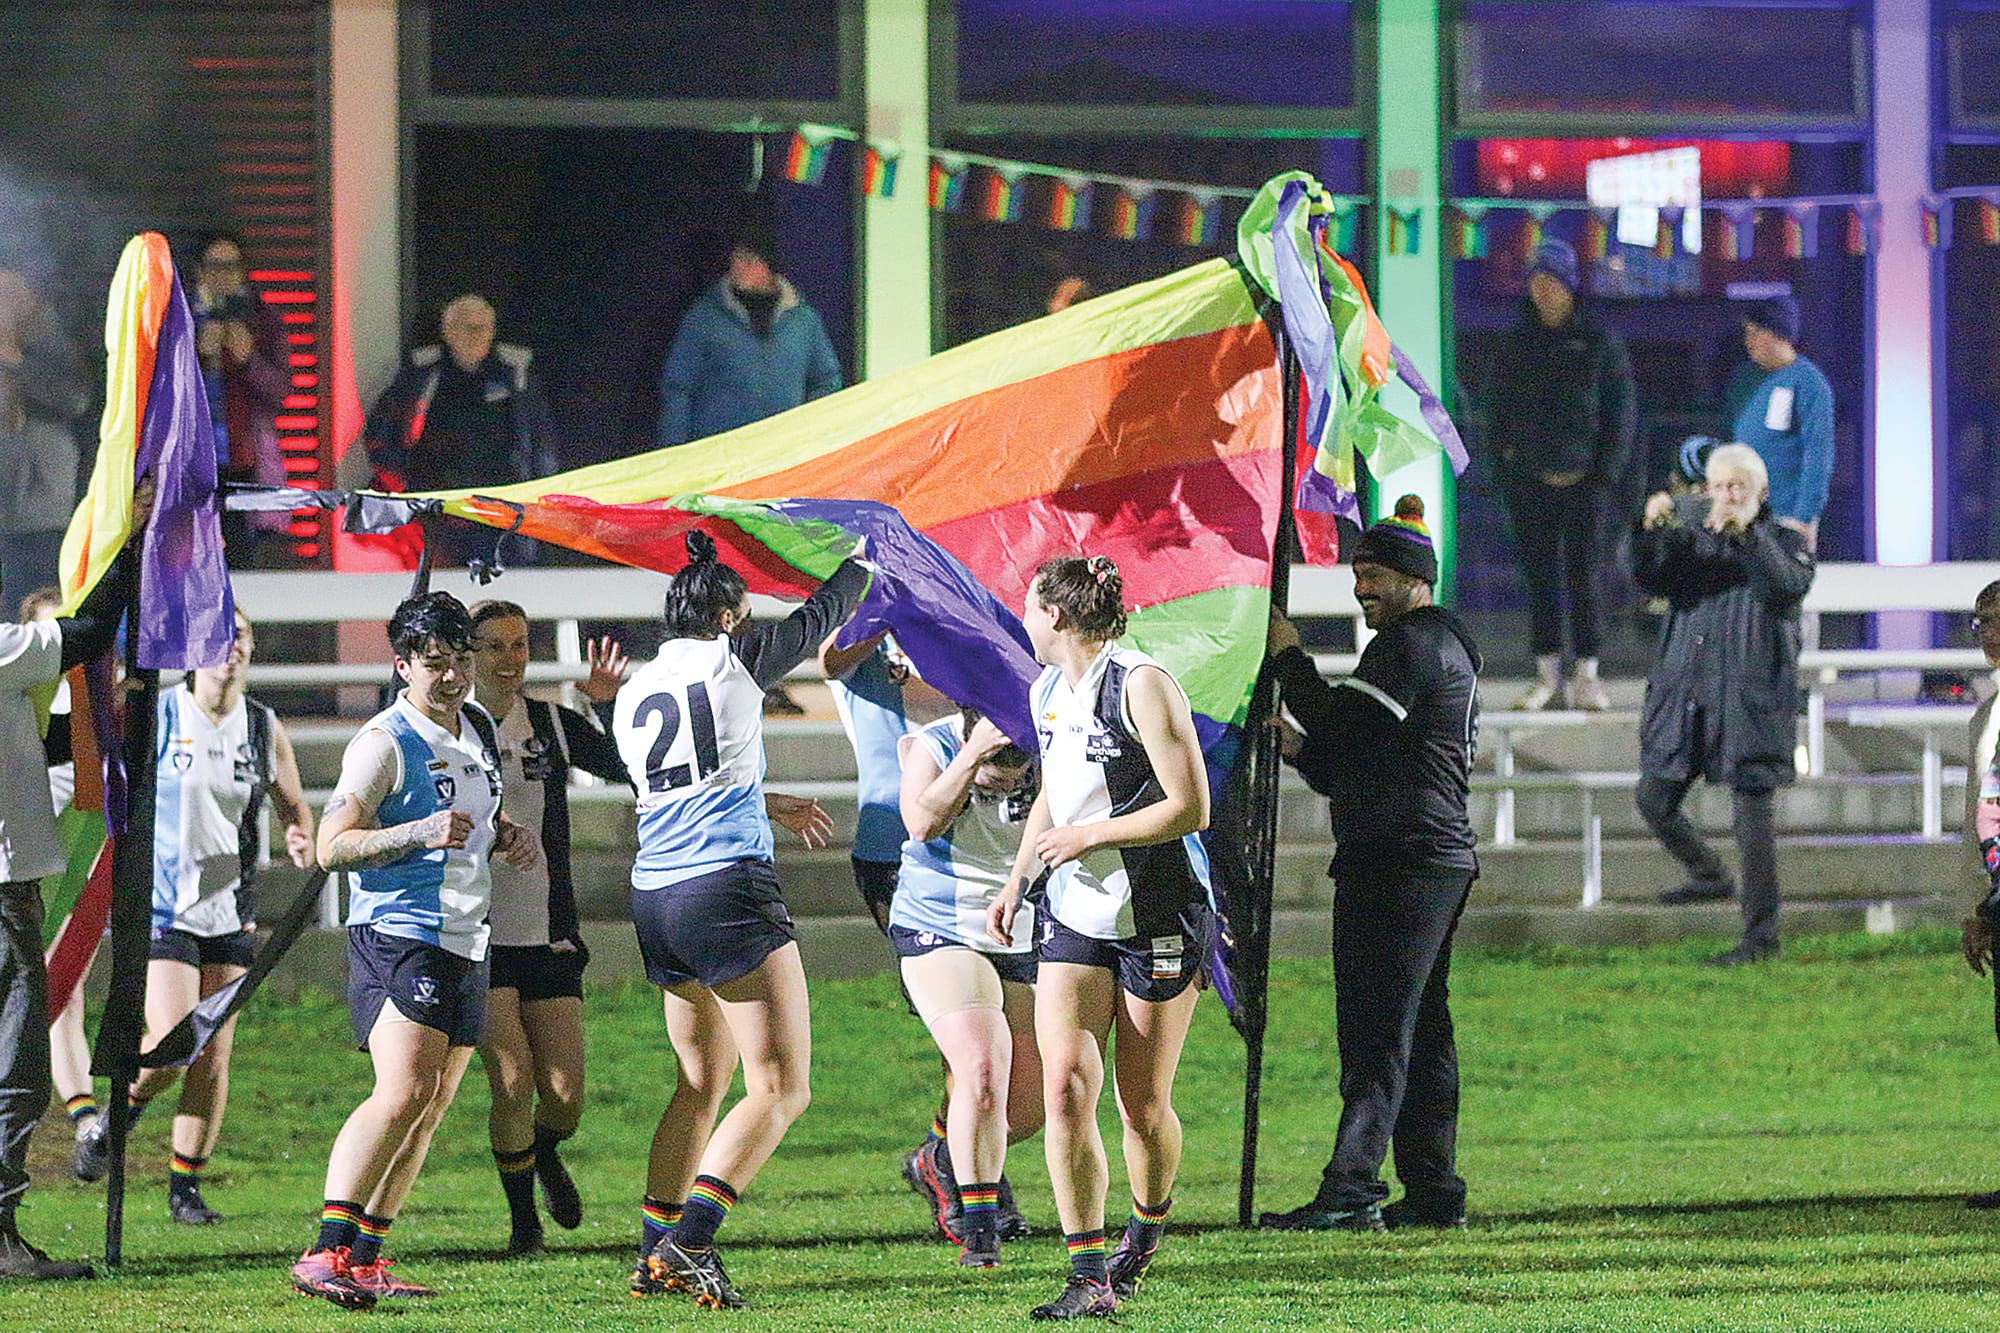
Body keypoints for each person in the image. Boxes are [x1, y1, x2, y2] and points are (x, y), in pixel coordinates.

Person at [616, 532, 865, 1310]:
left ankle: (652, 1250)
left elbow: (685, 781)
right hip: (724, 889)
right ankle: (691, 1241)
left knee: (700, 1083)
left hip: (655, 894)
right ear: (729, 618)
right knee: (781, 1086)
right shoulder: (734, 659)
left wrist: (765, 796)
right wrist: (870, 552)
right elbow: (823, 612)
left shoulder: (633, 689)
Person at [288, 592, 539, 1309]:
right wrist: (417, 832)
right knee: (400, 1091)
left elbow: (476, 816)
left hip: (467, 934)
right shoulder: (383, 741)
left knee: (429, 1104)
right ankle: (323, 1251)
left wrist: (505, 835)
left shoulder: (477, 724)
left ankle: (365, 1256)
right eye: (435, 663)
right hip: (401, 934)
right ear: (403, 665)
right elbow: (332, 846)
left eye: (461, 659)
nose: (453, 675)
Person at [987, 555, 1212, 1321]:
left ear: (1055, 615)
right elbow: (1056, 790)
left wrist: (1091, 835)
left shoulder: (1142, 683)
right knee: (1065, 1088)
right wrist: (1018, 878)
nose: (1023, 618)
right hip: (1075, 918)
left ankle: (1142, 1235)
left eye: (1028, 606)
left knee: (1141, 1107)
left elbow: (1191, 806)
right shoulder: (1047, 689)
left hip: (1156, 915)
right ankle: (1088, 1274)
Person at [1257, 496, 1483, 1235]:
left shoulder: (1410, 644)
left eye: (1374, 575)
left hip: (1400, 863)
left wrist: (1288, 656)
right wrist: (1300, 750)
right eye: (1357, 575)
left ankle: (1351, 1188)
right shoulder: (1436, 643)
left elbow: (1339, 725)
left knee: (1376, 1030)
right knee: (1422, 1029)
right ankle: (1433, 1188)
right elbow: (1353, 759)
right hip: (1427, 858)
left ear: (1415, 579)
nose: (1360, 589)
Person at [72, 610, 314, 1224]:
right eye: (218, 638)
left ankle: (185, 1189)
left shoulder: (261, 726)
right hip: (164, 908)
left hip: (231, 913)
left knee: (213, 1055)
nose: (230, 649)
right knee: (175, 1042)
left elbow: (293, 803)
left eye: (241, 637)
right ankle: (112, 1122)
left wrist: (299, 833)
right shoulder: (162, 713)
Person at [0, 477, 149, 1280]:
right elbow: (87, 632)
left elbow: (46, 747)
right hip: (4, 888)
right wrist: (131, 541)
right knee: (16, 1062)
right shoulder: (4, 649)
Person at [467, 600, 632, 1256]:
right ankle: (524, 1226)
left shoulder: (553, 725)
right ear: (468, 653)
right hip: (478, 934)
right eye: (494, 646)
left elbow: (627, 767)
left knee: (563, 1097)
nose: (510, 658)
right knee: (511, 1082)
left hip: (549, 930)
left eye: (519, 644)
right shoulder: (450, 728)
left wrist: (604, 705)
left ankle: (543, 1152)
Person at [1635, 444, 1815, 966]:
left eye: (1738, 486)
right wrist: (1650, 531)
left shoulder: (1784, 541)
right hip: (1688, 699)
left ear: (1760, 492)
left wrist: (1746, 536)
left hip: (1749, 703)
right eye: (1719, 486)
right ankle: (1709, 874)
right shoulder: (1692, 542)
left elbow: (1784, 588)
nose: (1727, 495)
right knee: (1653, 798)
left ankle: (1761, 938)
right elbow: (1648, 578)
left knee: (1752, 826)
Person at [893, 705, 1043, 1268]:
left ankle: (940, 1158)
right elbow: (919, 822)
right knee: (982, 1067)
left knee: (1028, 1107)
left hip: (1022, 927)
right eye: (994, 772)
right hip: (941, 924)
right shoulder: (933, 745)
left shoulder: (1051, 742)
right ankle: (980, 1235)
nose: (1002, 783)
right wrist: (971, 756)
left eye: (1013, 772)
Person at [1482, 237, 1636, 711]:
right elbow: (1496, 413)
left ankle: (1587, 674)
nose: (1544, 290)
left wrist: (1605, 474)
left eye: (1552, 281)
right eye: (1537, 281)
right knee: (1540, 580)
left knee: (1587, 579)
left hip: (1587, 486)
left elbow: (1621, 413)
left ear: (1570, 286)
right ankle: (1546, 673)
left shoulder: (1599, 342)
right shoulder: (1514, 345)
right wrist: (1506, 472)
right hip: (1531, 485)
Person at [361, 295, 558, 568]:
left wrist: (540, 496)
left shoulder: (515, 375)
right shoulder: (421, 374)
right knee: (439, 580)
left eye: (483, 327)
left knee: (505, 580)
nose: (476, 335)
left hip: (501, 506)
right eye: (468, 327)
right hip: (438, 510)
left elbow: (541, 441)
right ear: (448, 331)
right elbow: (380, 434)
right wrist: (401, 486)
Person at [652, 229, 841, 450]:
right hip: (720, 455)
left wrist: (810, 436)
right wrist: (673, 452)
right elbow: (678, 387)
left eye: (748, 260)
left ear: (768, 266)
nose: (738, 268)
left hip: (783, 454)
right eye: (736, 259)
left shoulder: (803, 321)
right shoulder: (705, 319)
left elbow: (826, 381)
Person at [187, 230, 289, 560]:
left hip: (246, 459)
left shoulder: (264, 321)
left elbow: (280, 392)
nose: (224, 276)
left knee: (244, 557)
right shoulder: (180, 320)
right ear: (199, 272)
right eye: (214, 267)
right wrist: (196, 355)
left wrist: (248, 360)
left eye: (231, 267)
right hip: (191, 461)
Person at [0, 269, 87, 602]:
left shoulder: (52, 342)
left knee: (38, 604)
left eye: (11, 294)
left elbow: (76, 399)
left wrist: (16, 361)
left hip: (45, 514)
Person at [1729, 295, 1834, 550]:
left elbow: (1818, 454)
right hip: (1743, 512)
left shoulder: (1809, 383)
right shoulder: (1745, 380)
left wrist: (1803, 516)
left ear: (1777, 334)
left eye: (1755, 333)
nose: (1748, 341)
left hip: (1786, 516)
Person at [1959, 580, 2000, 1208]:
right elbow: (1979, 817)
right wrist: (1978, 907)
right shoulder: (1986, 714)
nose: (1989, 632)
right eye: (1981, 623)